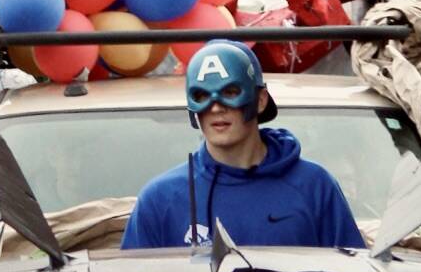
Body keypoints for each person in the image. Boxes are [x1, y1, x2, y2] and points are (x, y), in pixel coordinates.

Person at [121, 39, 364, 250]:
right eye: (202, 96)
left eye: (230, 92)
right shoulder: (160, 200)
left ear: (260, 100)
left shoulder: (314, 187)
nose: (216, 107)